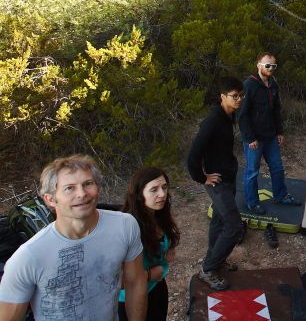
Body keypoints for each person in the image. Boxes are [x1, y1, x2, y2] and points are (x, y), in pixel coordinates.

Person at [0, 155, 147, 321]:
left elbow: (135, 282)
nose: (82, 194)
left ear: (97, 187)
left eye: (88, 184)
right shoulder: (29, 256)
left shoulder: (124, 226)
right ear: (50, 199)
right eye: (69, 188)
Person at [186, 76, 244, 291]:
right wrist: (203, 178)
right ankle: (208, 269)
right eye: (234, 96)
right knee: (234, 226)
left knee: (219, 221)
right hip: (217, 181)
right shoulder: (213, 121)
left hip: (228, 176)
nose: (239, 100)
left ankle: (216, 261)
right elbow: (192, 156)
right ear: (223, 97)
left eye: (241, 96)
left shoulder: (229, 115)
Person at [238, 51, 300, 212]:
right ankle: (252, 203)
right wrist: (250, 138)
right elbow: (242, 114)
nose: (270, 68)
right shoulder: (249, 85)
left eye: (274, 66)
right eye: (267, 65)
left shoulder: (273, 85)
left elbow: (276, 111)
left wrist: (279, 131)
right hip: (254, 139)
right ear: (258, 64)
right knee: (252, 172)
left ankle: (281, 195)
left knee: (277, 167)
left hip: (271, 136)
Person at [117, 167, 181, 321]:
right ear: (139, 195)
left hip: (157, 287)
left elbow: (164, 239)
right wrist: (150, 274)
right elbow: (116, 280)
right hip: (133, 299)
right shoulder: (127, 229)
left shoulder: (157, 215)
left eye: (164, 187)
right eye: (154, 189)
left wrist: (169, 245)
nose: (162, 194)